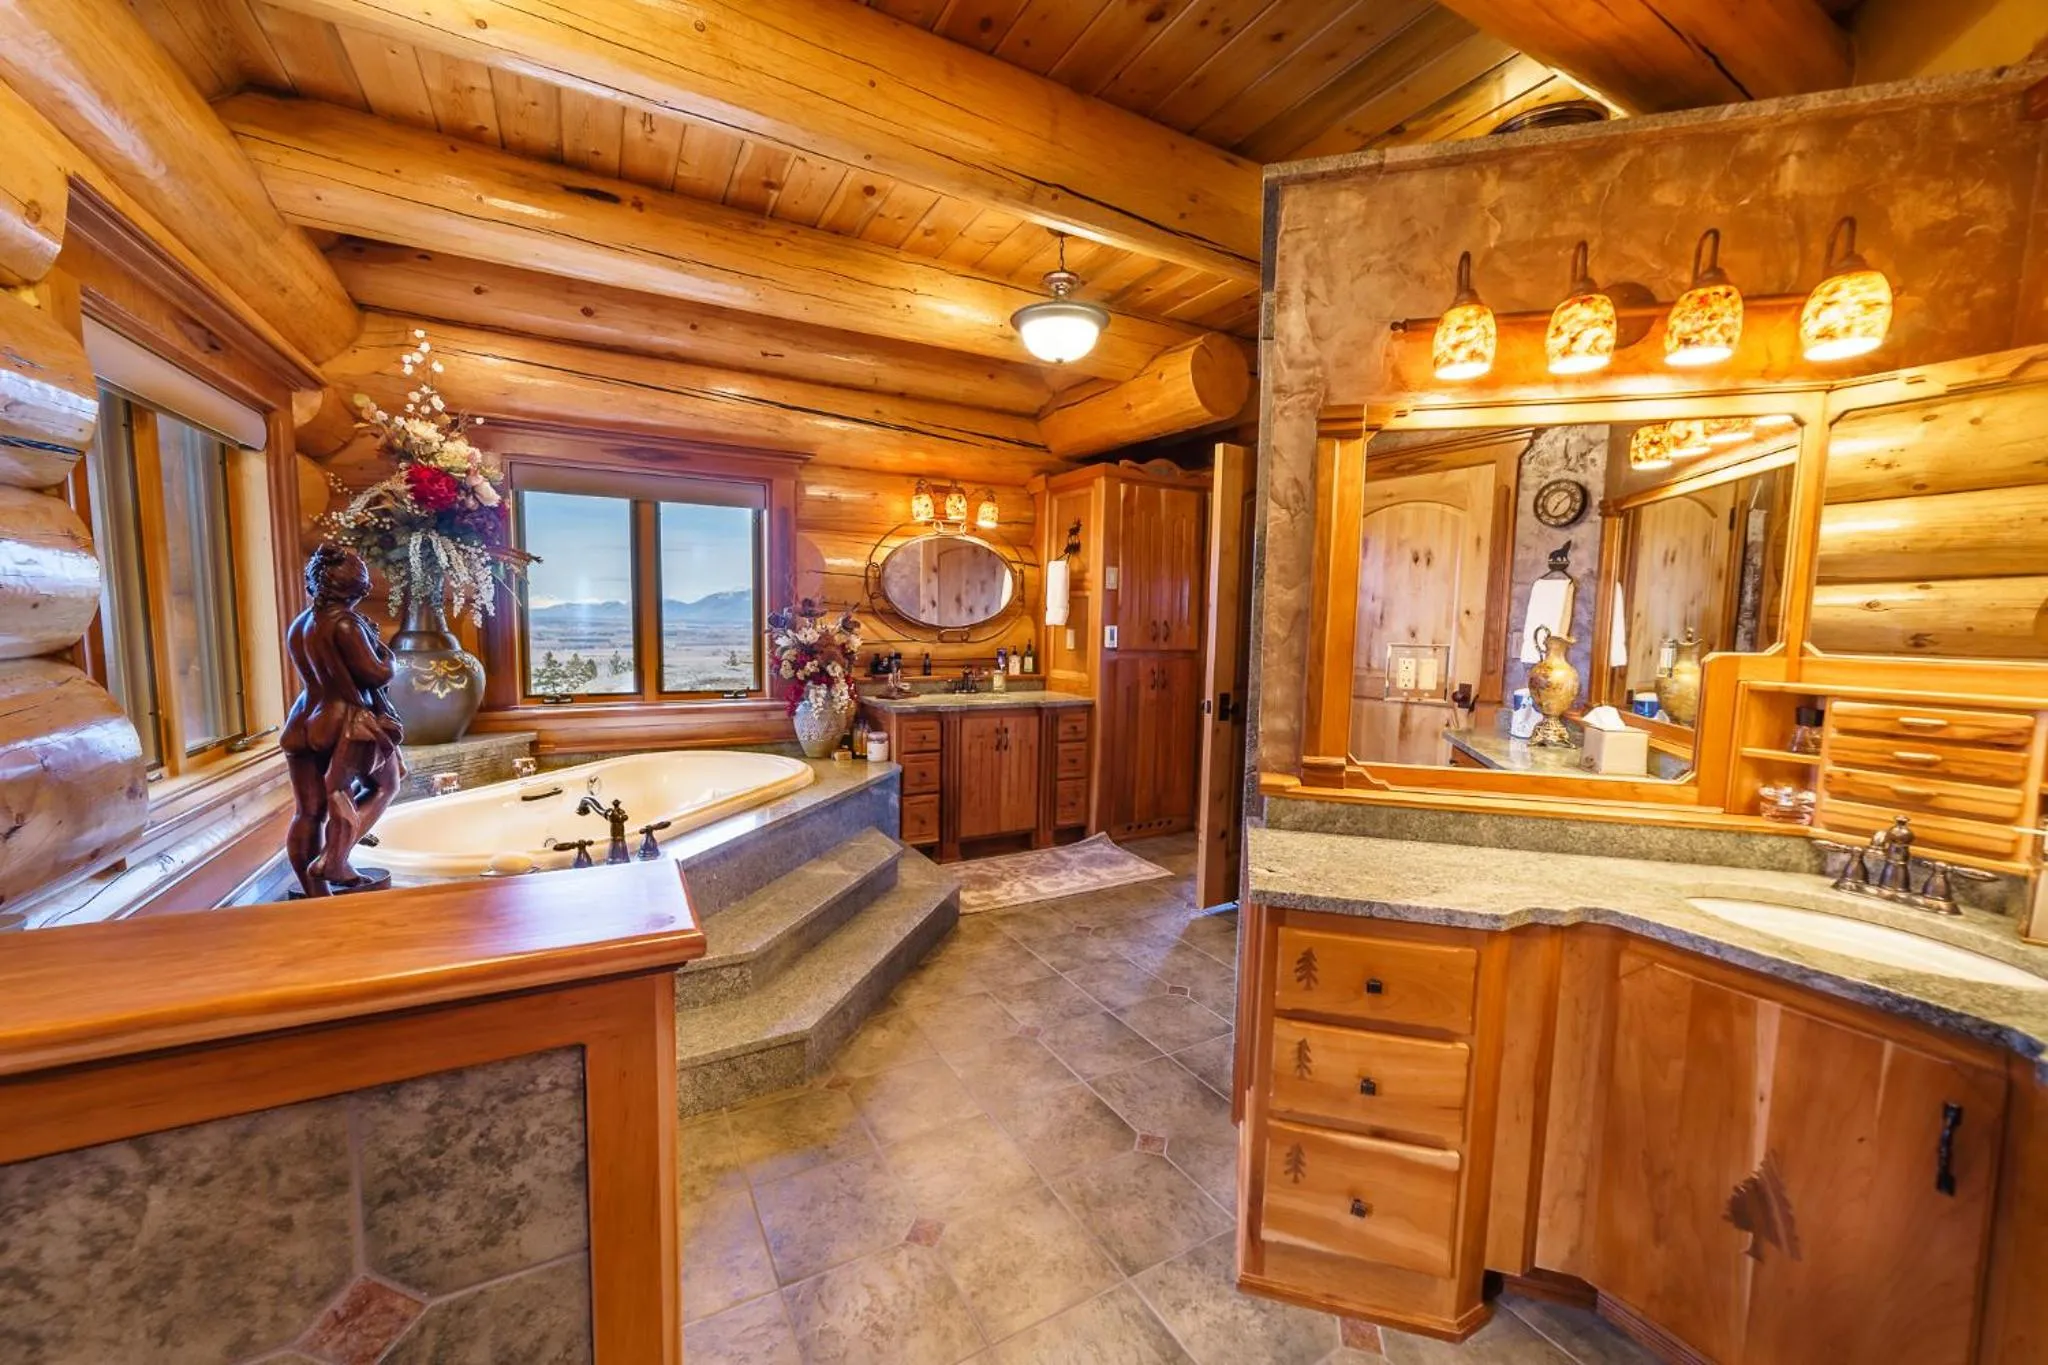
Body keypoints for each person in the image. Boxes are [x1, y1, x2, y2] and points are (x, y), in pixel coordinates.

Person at [280, 544, 407, 896]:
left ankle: (314, 893)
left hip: (303, 720)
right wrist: (386, 652)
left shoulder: (301, 624)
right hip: (344, 722)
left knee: (308, 812)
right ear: (357, 586)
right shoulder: (346, 624)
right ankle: (335, 859)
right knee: (386, 784)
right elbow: (376, 674)